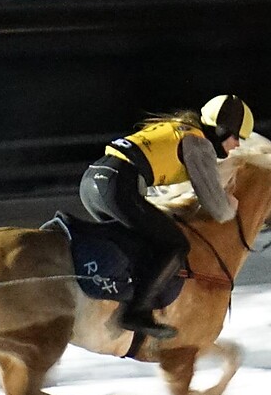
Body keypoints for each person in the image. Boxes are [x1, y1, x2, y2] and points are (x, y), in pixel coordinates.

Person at [80, 94, 251, 341]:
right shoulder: (198, 142)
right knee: (176, 244)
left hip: (93, 181)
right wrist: (231, 205)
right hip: (117, 185)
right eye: (237, 137)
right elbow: (218, 209)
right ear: (221, 129)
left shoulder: (180, 129)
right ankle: (135, 313)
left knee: (138, 244)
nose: (236, 146)